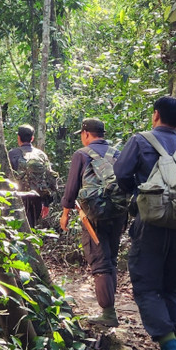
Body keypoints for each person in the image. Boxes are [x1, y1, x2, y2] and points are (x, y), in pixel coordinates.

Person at [113, 96, 176, 350]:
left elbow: (121, 174)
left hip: (149, 222)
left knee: (146, 284)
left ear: (155, 115)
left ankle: (170, 346)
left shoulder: (139, 140)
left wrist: (139, 193)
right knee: (171, 284)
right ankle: (174, 341)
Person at [60, 118, 126, 327]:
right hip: (118, 213)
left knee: (100, 261)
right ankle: (110, 307)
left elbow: (71, 188)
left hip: (93, 215)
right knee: (111, 258)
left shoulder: (82, 154)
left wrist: (65, 213)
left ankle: (108, 313)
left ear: (87, 134)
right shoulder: (118, 152)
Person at [7, 124, 57, 228]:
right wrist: (46, 203)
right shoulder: (41, 155)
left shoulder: (11, 154)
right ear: (32, 138)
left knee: (17, 228)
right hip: (37, 199)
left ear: (18, 137)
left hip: (17, 198)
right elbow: (50, 177)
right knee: (32, 227)